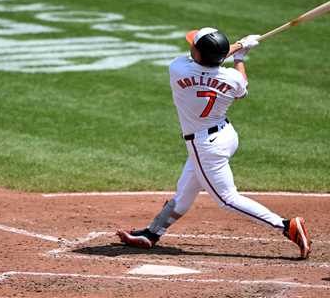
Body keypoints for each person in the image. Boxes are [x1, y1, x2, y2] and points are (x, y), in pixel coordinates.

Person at [116, 27, 311, 259]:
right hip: (225, 136)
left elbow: (208, 59)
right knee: (185, 191)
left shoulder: (177, 68)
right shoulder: (232, 78)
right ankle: (152, 233)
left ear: (198, 54)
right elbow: (241, 88)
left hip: (204, 146)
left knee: (227, 199)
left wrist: (239, 46)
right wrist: (240, 56)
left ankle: (285, 225)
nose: (191, 48)